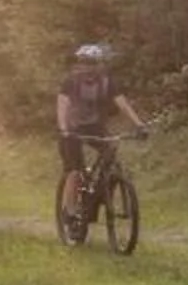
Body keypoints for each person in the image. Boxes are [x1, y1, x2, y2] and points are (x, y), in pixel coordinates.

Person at [57, 43, 148, 204]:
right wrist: (64, 128)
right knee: (75, 171)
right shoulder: (71, 82)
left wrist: (139, 125)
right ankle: (70, 211)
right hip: (72, 129)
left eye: (93, 63)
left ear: (100, 65)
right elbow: (62, 105)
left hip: (93, 126)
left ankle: (102, 192)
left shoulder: (107, 82)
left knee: (111, 151)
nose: (88, 68)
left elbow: (123, 104)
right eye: (85, 62)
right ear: (79, 64)